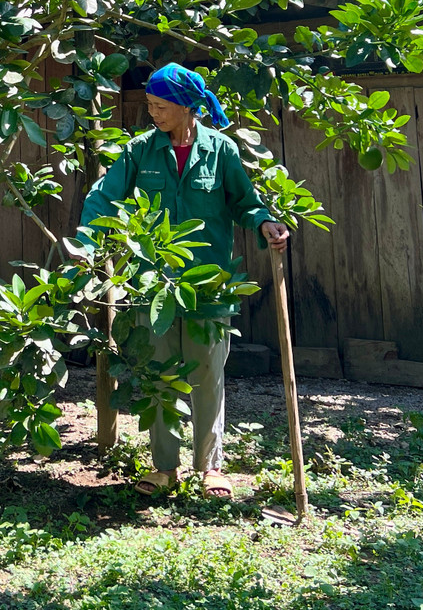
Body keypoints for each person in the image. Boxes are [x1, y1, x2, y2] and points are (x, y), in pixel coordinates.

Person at [79, 63, 288, 499]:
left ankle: (210, 466)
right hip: (153, 285)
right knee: (158, 374)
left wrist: (264, 222)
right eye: (149, 104)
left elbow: (244, 201)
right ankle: (164, 467)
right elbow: (103, 197)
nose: (152, 112)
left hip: (207, 285)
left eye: (160, 105)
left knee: (207, 374)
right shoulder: (139, 151)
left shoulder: (221, 150)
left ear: (186, 106)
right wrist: (87, 244)